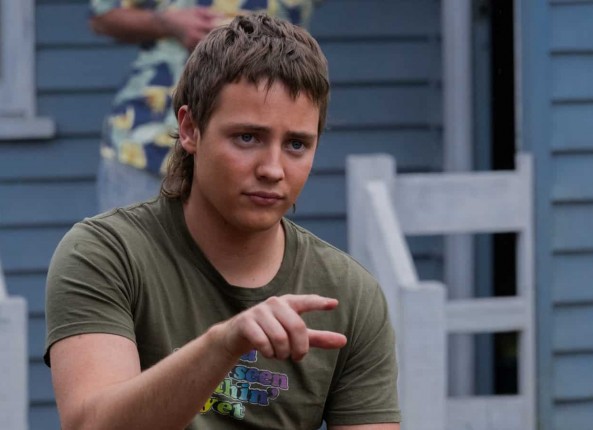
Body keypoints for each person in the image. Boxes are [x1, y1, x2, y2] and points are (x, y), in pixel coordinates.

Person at [45, 14, 401, 430]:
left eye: (296, 145)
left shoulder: (348, 295)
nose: (273, 169)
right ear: (190, 129)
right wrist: (223, 344)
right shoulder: (106, 255)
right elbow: (91, 425)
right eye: (247, 138)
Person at [90, 0, 318, 211]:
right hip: (147, 140)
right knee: (130, 241)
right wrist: (168, 22)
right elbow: (102, 16)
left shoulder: (273, 163)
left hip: (263, 142)